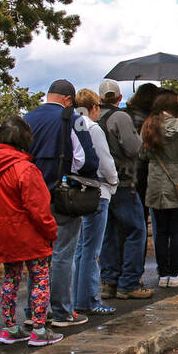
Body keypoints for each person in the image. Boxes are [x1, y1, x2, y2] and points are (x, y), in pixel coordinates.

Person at [0, 116, 61, 346]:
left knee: (10, 279)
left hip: (2, 233)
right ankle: (39, 328)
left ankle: (10, 327)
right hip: (30, 235)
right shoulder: (26, 169)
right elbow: (38, 208)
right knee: (40, 278)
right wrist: (50, 231)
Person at [24, 79, 101, 328]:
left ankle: (34, 310)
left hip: (31, 196)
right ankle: (62, 312)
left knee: (37, 256)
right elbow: (86, 159)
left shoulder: (28, 118)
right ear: (68, 100)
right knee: (62, 254)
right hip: (61, 193)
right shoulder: (73, 118)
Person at [96, 80, 150, 300]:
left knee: (109, 234)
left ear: (99, 99)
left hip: (101, 184)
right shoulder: (120, 117)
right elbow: (134, 148)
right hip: (124, 181)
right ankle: (129, 282)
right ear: (119, 97)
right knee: (135, 231)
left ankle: (109, 281)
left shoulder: (94, 118)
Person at [141, 91, 178, 287]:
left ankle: (163, 274)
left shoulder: (149, 126)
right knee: (177, 229)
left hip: (156, 181)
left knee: (161, 231)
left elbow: (142, 153)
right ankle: (174, 274)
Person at [73, 89, 120, 316]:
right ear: (94, 107)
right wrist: (113, 182)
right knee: (92, 249)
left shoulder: (71, 125)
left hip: (75, 190)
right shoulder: (93, 128)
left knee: (80, 248)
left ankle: (76, 297)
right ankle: (90, 299)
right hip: (97, 190)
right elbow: (105, 161)